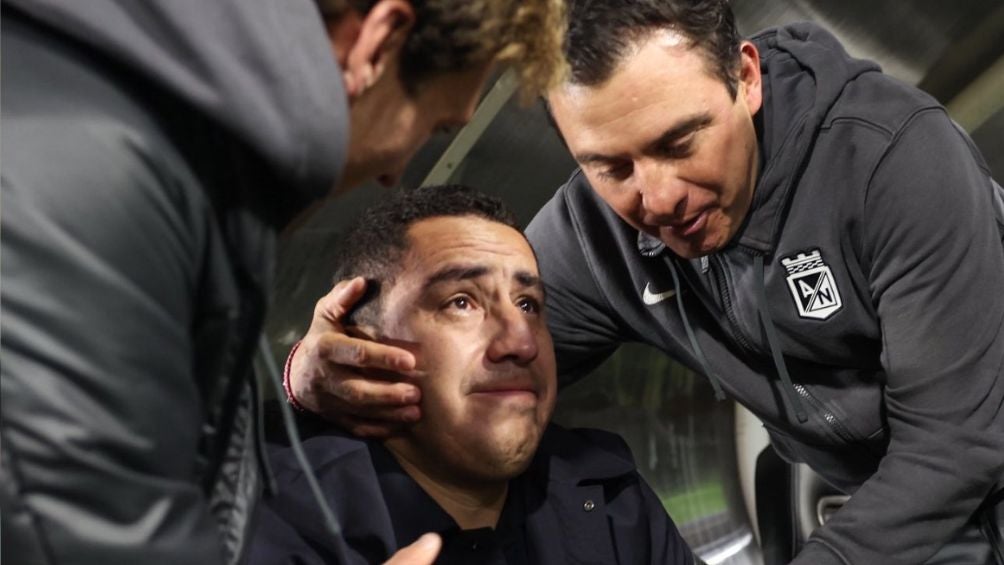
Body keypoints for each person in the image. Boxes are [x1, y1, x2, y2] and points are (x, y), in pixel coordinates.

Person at [284, 1, 1004, 564]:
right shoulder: (593, 234)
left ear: (745, 78)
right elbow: (466, 371)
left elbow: (957, 442)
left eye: (678, 142)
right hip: (880, 498)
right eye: (611, 166)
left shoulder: (891, 161)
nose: (655, 200)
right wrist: (313, 372)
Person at [0, 1, 565, 564]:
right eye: (434, 126)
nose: (398, 171)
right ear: (379, 42)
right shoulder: (95, 180)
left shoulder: (135, 142)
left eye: (529, 303)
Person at [249, 185, 696, 565]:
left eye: (528, 304)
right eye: (461, 301)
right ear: (362, 345)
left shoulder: (606, 500)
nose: (520, 342)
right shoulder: (271, 520)